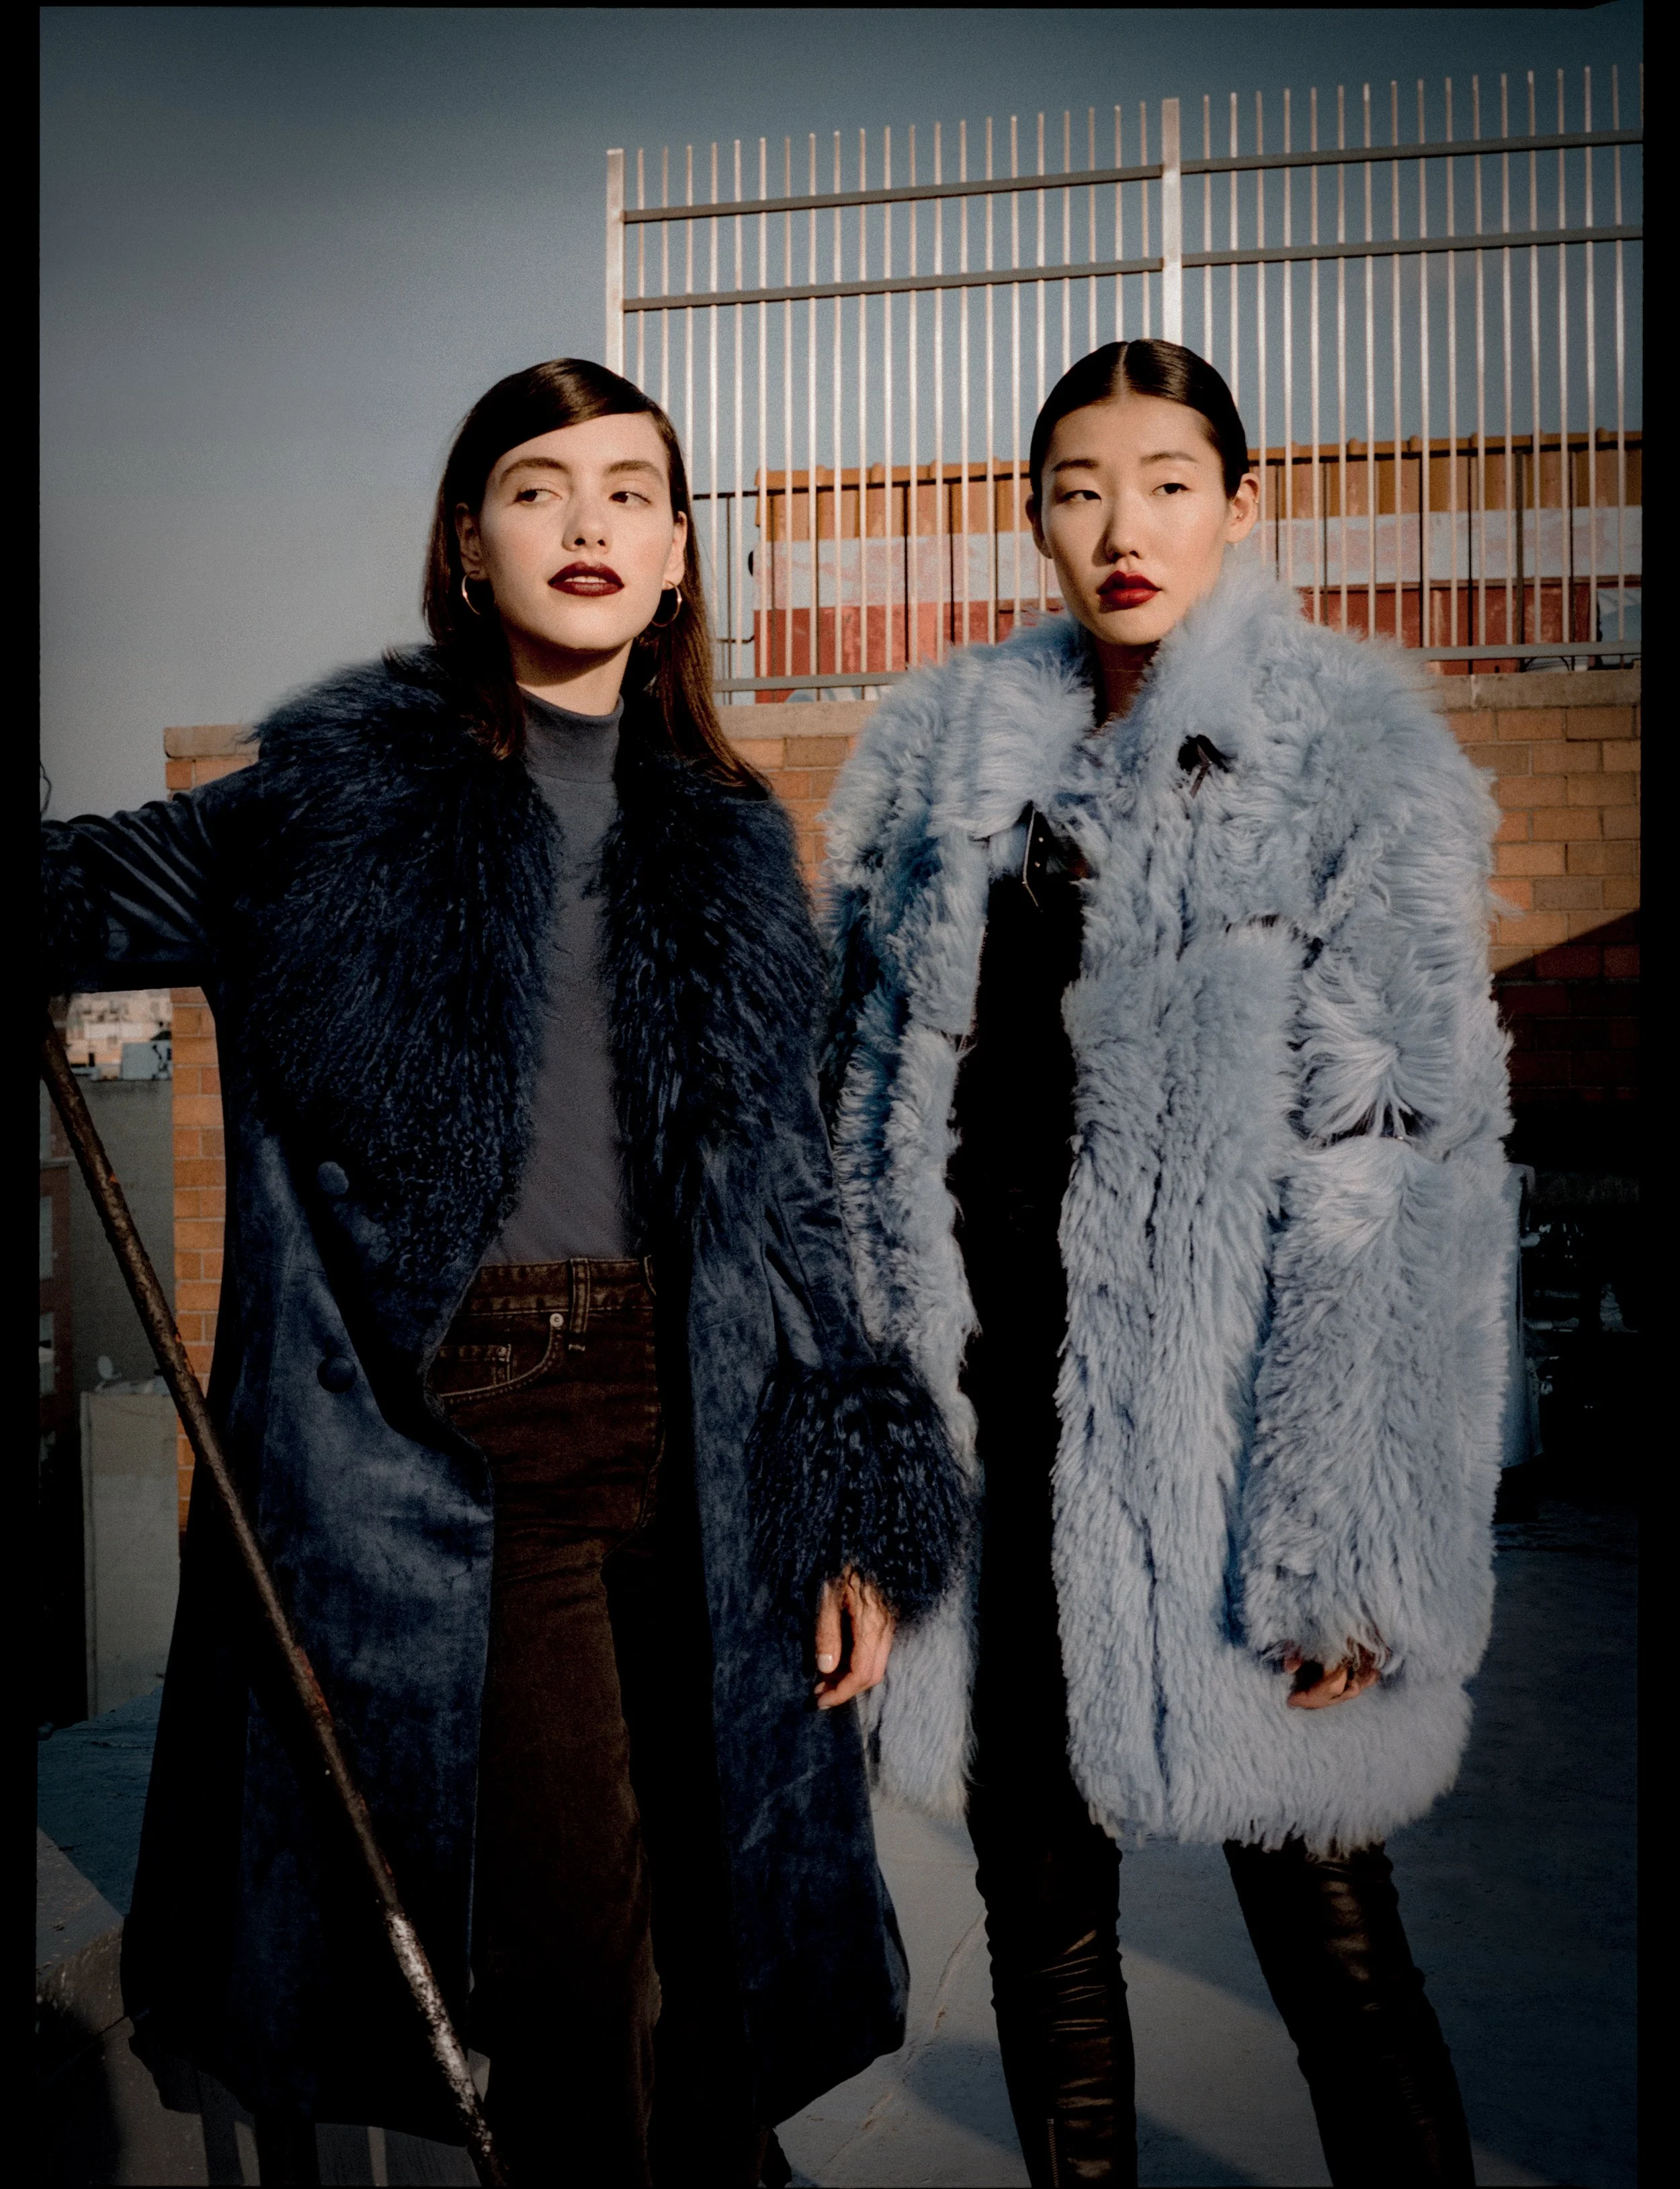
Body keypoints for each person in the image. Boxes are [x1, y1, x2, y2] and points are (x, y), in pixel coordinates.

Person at [42, 358, 965, 2188]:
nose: (590, 523)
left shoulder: (719, 835)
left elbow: (788, 1196)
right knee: (557, 1959)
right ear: (467, 545)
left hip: (702, 1434)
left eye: (633, 488)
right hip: (460, 1440)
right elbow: (80, 893)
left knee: (707, 1935)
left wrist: (849, 1496)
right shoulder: (329, 798)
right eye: (539, 488)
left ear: (684, 553)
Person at [822, 338, 1512, 2188]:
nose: (1120, 525)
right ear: (1031, 515)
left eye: (1164, 479)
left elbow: (1411, 1177)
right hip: (997, 1453)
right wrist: (869, 1497)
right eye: (1075, 485)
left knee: (1336, 1950)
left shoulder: (1351, 757)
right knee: (1044, 1935)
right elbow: (855, 1144)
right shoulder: (942, 766)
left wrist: (1347, 1542)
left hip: (1237, 1463)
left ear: (1240, 503)